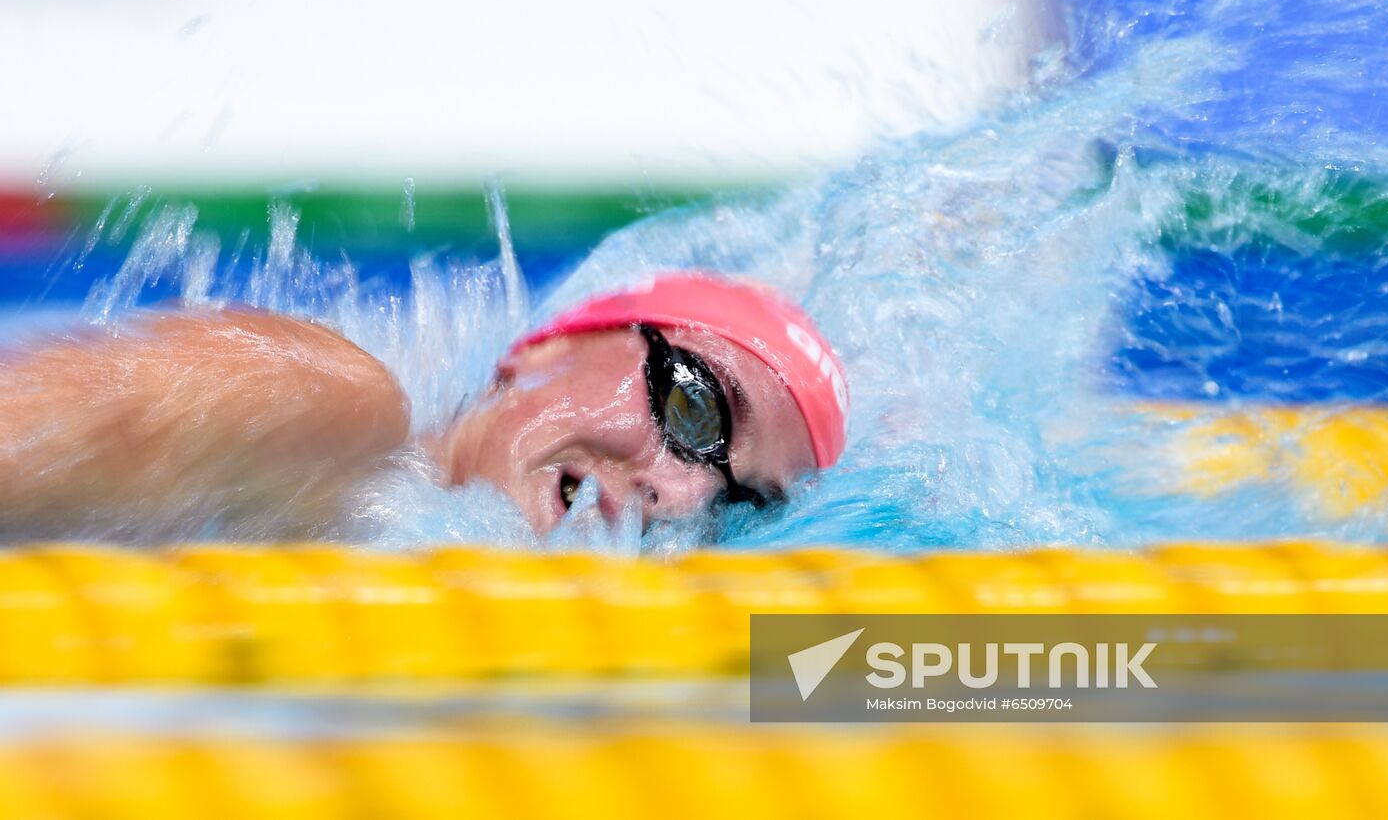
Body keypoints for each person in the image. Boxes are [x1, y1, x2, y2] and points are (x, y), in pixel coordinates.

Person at [0, 272, 847, 539]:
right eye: (695, 406)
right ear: (546, 347)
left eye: (738, 504)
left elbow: (965, 680)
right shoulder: (326, 414)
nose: (685, 495)